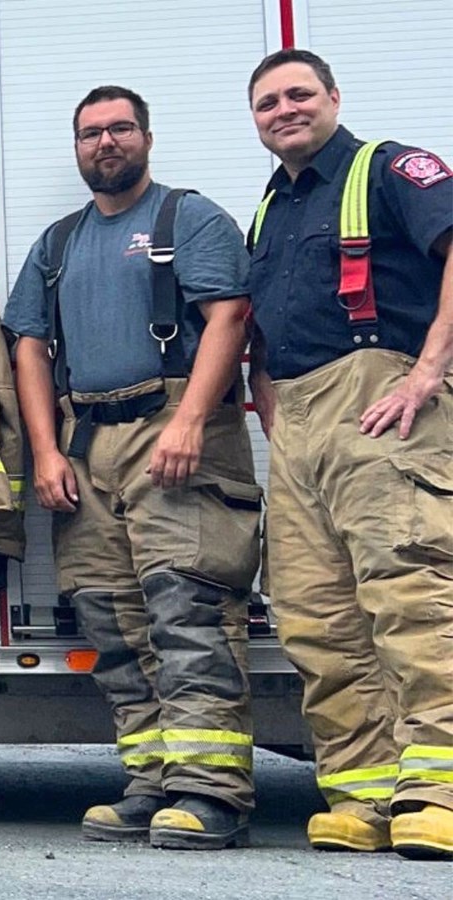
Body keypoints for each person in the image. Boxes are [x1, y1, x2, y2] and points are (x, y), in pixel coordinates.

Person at [4, 87, 260, 850]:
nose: (105, 143)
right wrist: (46, 451)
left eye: (119, 129)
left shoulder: (190, 219)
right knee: (110, 619)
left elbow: (231, 315)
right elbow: (28, 347)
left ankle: (212, 792)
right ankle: (152, 783)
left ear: (146, 138)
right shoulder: (56, 244)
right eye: (90, 133)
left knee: (188, 609)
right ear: (76, 147)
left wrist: (187, 423)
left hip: (175, 427)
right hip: (89, 444)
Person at [245, 48, 453, 860]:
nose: (284, 110)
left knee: (412, 598)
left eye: (299, 94)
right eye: (267, 103)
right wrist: (271, 407)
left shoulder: (393, 168)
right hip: (298, 425)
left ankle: (437, 789)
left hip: (381, 404)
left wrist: (427, 374)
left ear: (334, 97)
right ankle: (363, 794)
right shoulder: (270, 207)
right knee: (315, 619)